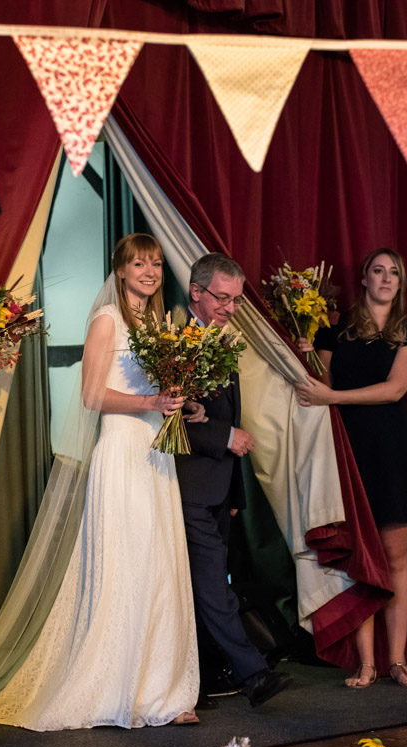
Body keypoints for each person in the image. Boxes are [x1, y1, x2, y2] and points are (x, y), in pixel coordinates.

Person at [0, 233, 202, 729]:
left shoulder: (161, 325)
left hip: (157, 457)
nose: (149, 271)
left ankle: (160, 691)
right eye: (139, 264)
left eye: (157, 264)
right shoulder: (108, 320)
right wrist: (150, 404)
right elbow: (93, 395)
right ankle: (118, 689)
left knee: (159, 567)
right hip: (121, 452)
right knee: (129, 566)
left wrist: (180, 399)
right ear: (120, 270)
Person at [294, 248, 407, 689]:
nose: (386, 279)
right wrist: (308, 356)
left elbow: (394, 391)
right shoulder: (334, 333)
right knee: (359, 560)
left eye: (394, 272)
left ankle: (398, 660)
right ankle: (367, 663)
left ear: (399, 283)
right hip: (347, 453)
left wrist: (333, 398)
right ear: (365, 280)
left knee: (395, 560)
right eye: (378, 271)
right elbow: (322, 387)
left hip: (391, 453)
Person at [177, 252, 294, 707]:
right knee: (211, 584)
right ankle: (253, 674)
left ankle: (201, 681)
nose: (229, 308)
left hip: (218, 488)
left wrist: (233, 493)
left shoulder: (222, 339)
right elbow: (170, 417)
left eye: (237, 300)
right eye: (222, 298)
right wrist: (225, 435)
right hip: (188, 485)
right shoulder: (176, 340)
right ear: (196, 292)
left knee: (204, 586)